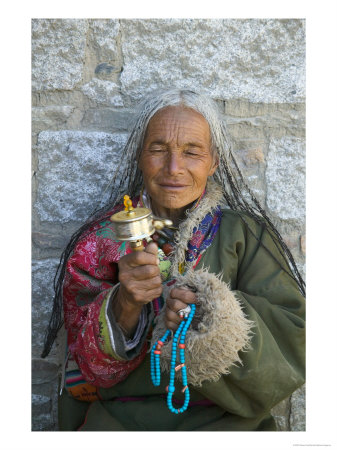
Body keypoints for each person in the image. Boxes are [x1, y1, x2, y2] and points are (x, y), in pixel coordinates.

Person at [41, 89, 305, 431]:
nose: (174, 168)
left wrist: (211, 312)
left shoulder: (246, 237)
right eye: (158, 150)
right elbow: (84, 366)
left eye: (192, 152)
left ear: (214, 162)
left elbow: (295, 340)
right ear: (140, 156)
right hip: (121, 422)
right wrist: (125, 305)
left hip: (228, 423)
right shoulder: (101, 242)